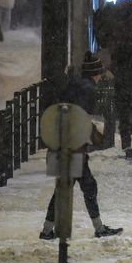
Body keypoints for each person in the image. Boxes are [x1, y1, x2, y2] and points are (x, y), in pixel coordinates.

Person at [39, 53, 123, 240]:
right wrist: (96, 135)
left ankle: (47, 230)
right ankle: (96, 229)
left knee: (64, 187)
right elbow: (82, 118)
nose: (102, 77)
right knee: (85, 187)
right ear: (95, 73)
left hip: (59, 142)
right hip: (73, 146)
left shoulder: (73, 84)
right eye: (100, 73)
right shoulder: (88, 90)